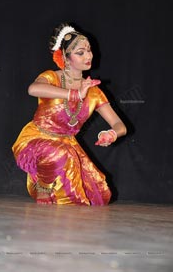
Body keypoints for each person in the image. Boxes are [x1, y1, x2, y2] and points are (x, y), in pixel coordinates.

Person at [12, 23, 127, 206]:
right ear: (65, 57)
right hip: (37, 139)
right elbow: (33, 89)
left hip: (67, 144)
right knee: (60, 153)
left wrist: (111, 134)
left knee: (101, 196)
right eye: (80, 52)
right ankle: (43, 186)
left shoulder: (93, 90)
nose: (88, 56)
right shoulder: (52, 77)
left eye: (89, 50)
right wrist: (74, 94)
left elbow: (120, 125)